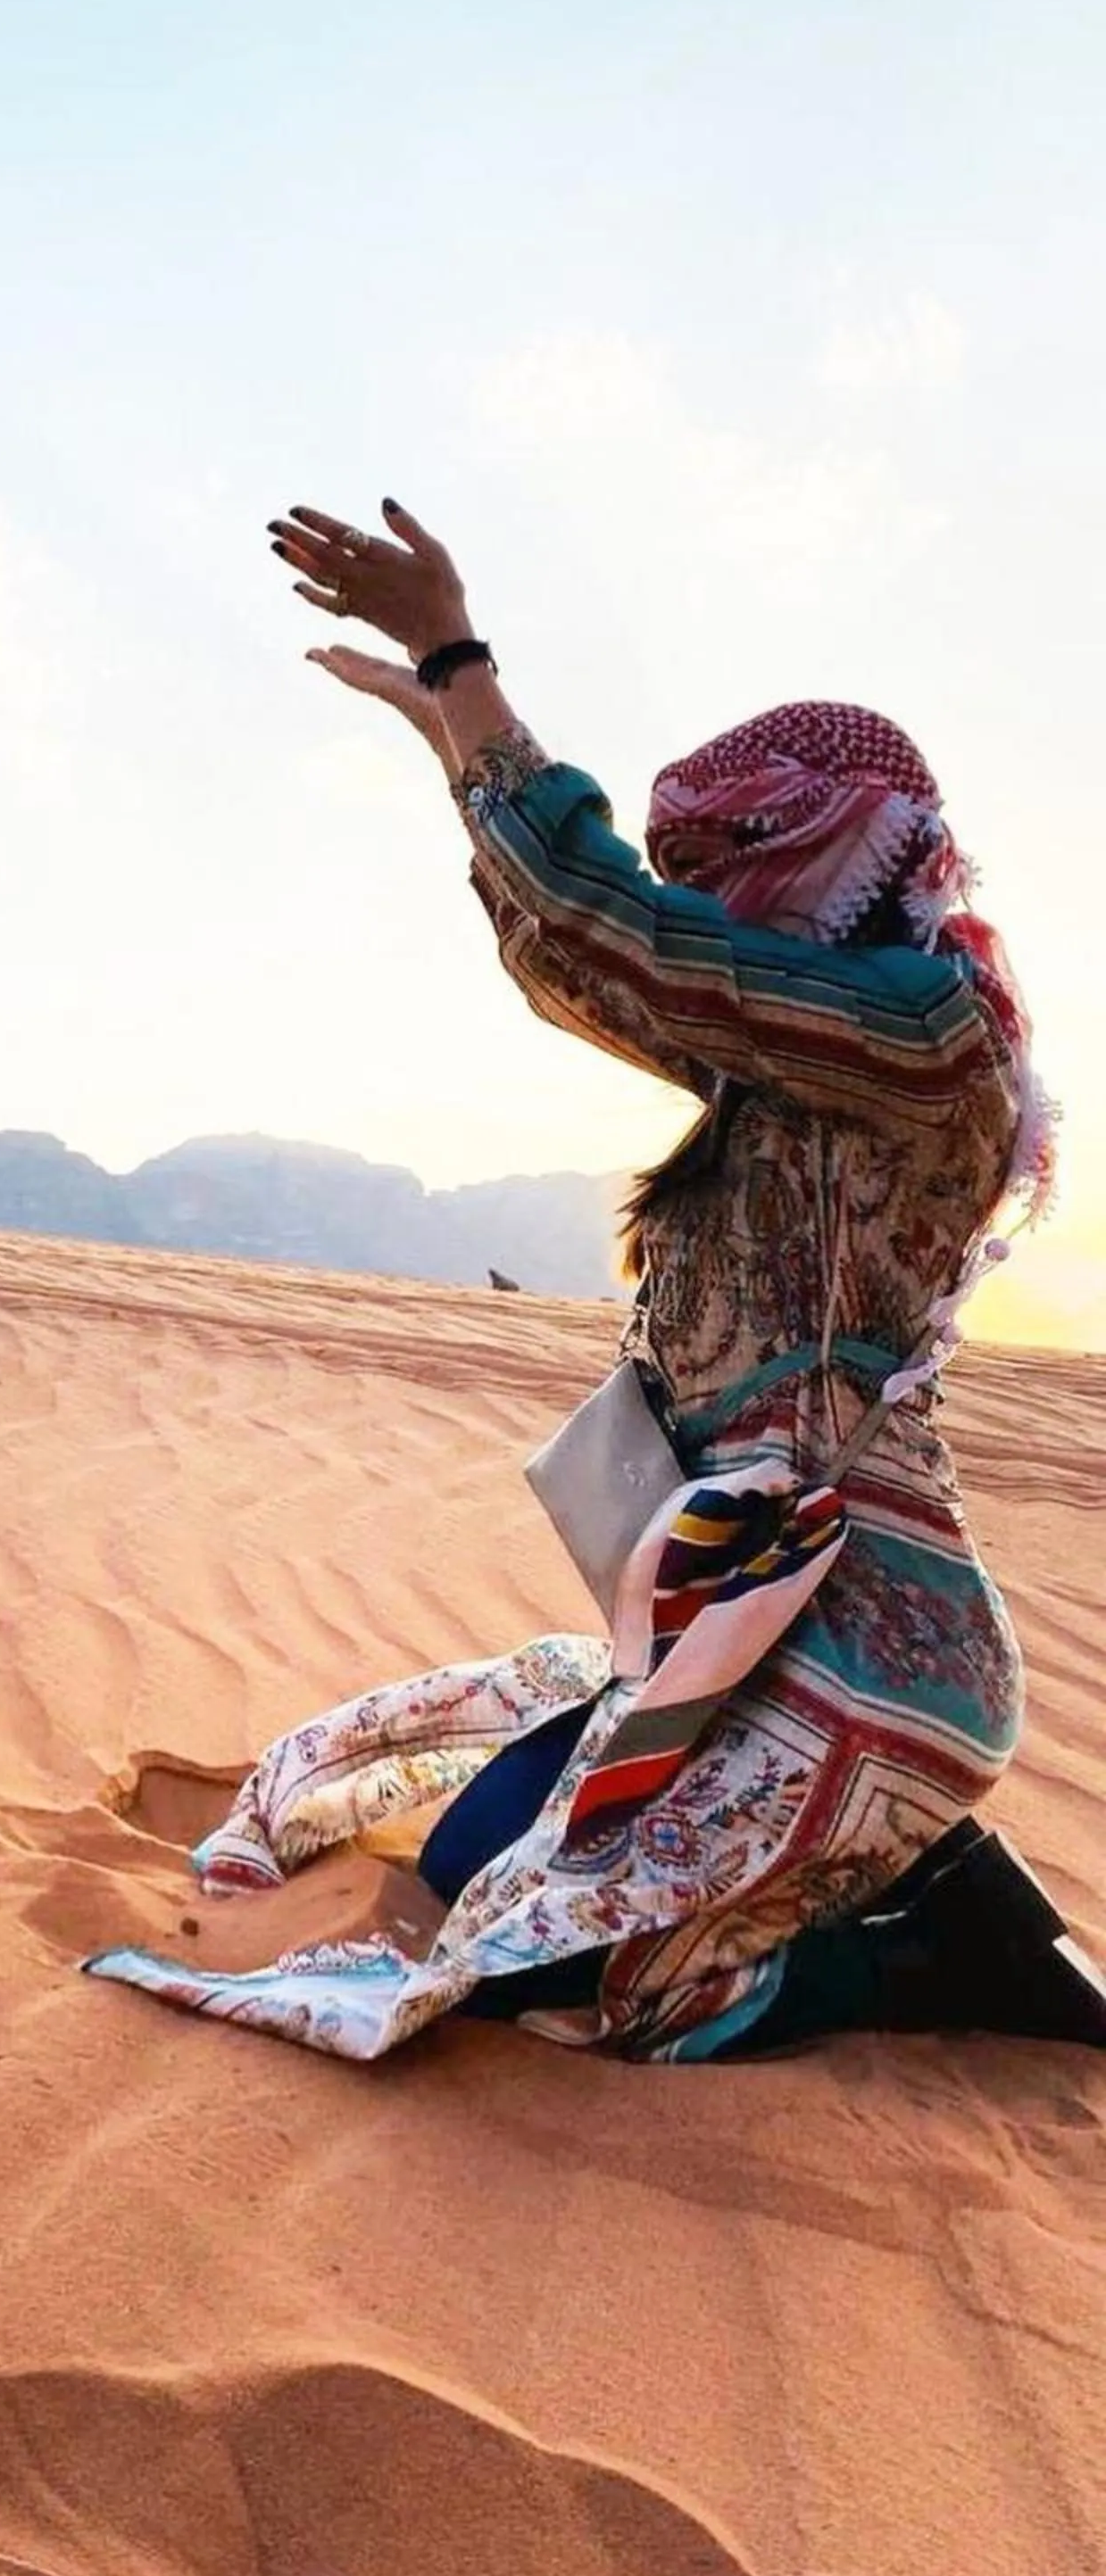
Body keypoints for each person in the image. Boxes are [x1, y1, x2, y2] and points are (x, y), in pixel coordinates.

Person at [85, 498, 1106, 2062]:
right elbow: (587, 955)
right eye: (697, 861)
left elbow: (616, 931)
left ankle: (939, 1952)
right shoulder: (797, 1058)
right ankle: (872, 1879)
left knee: (564, 1984)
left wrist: (462, 660)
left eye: (740, 852)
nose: (714, 886)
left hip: (867, 1651)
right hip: (729, 1625)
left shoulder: (922, 1036)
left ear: (849, 846)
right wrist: (453, 741)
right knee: (458, 1862)